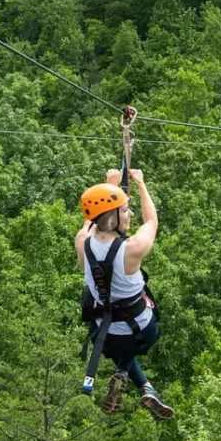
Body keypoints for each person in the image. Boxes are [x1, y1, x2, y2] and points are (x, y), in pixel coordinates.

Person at [75, 167, 172, 420]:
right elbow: (152, 221)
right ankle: (127, 376)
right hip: (142, 331)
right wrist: (140, 184)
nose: (130, 214)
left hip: (104, 336)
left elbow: (90, 220)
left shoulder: (82, 242)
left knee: (121, 341)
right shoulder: (132, 248)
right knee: (139, 334)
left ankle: (144, 385)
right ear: (113, 217)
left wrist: (109, 185)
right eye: (125, 210)